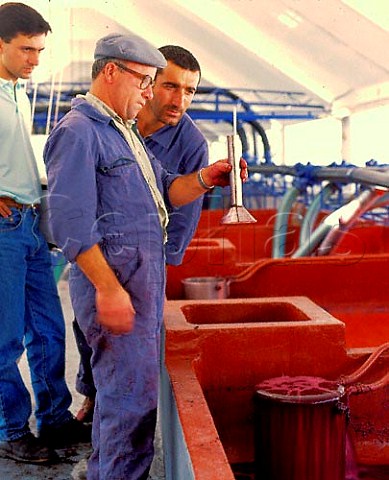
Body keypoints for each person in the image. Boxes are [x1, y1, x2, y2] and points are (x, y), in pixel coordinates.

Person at [43, 32, 247, 479]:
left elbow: (171, 192)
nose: (151, 94)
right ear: (111, 71)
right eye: (146, 82)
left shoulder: (124, 133)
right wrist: (108, 288)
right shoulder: (79, 131)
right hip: (117, 284)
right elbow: (68, 224)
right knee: (127, 402)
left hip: (139, 281)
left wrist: (209, 178)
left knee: (131, 400)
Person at [74, 44, 208, 424]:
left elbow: (180, 209)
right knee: (90, 333)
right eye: (168, 85)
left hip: (141, 263)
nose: (178, 100)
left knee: (129, 361)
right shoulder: (106, 127)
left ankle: (104, 413)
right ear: (148, 82)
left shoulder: (191, 143)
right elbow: (72, 211)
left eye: (190, 90)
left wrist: (153, 275)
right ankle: (92, 395)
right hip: (95, 257)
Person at [0, 2, 90, 466]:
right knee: (5, 337)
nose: (35, 59)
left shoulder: (16, 90)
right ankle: (12, 430)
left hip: (29, 223)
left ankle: (53, 418)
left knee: (49, 330)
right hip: (2, 227)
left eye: (39, 50)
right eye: (26, 50)